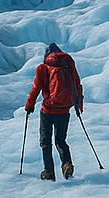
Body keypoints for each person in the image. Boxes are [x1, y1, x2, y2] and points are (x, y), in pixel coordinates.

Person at [25, 43, 83, 180]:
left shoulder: (42, 68)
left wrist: (29, 105)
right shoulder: (68, 65)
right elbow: (77, 84)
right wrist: (78, 106)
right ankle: (67, 164)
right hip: (64, 110)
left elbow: (36, 89)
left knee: (46, 142)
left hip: (48, 111)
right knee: (61, 141)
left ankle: (49, 172)